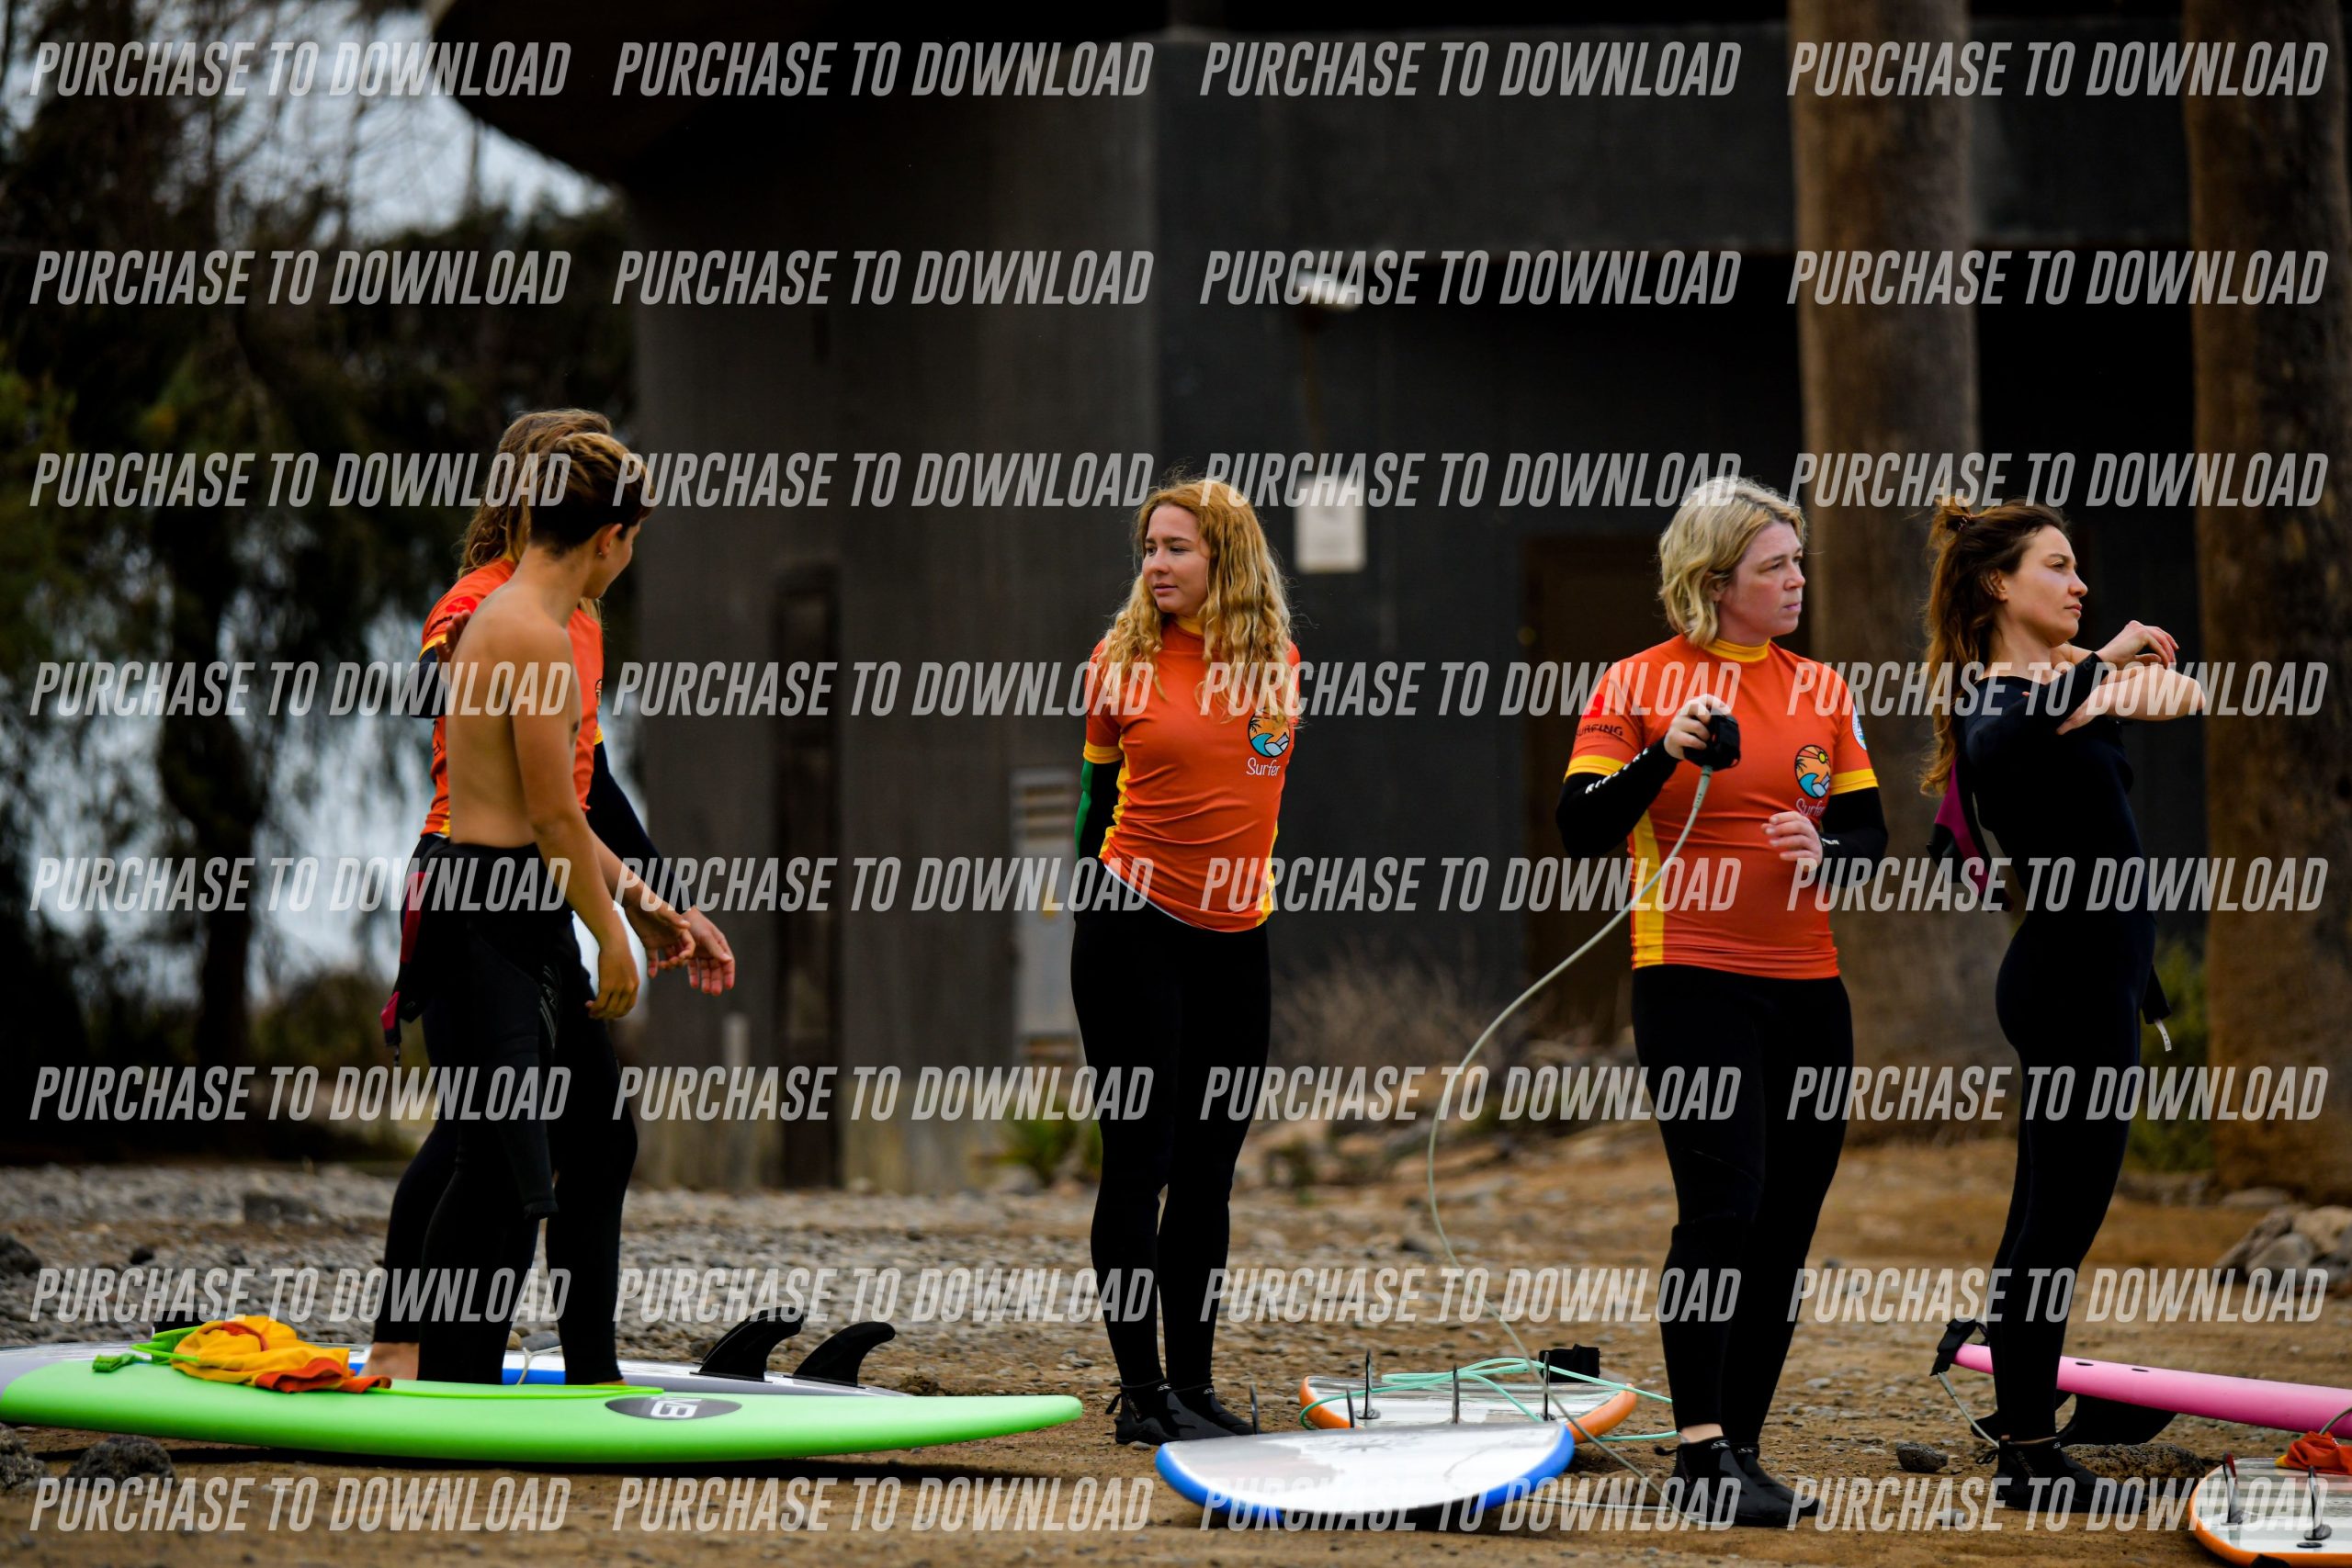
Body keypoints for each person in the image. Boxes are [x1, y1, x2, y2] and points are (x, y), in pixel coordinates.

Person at [1556, 477, 1884, 1526]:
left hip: (1810, 988)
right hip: (1691, 978)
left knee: (1786, 1225)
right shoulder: (1637, 681)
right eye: (1774, 566)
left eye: (1797, 561)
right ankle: (1697, 1451)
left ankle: (1741, 1446)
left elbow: (1872, 836)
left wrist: (1823, 845)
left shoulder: (1822, 688)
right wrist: (1665, 752)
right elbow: (1580, 825)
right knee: (1723, 1209)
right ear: (1714, 581)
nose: (1797, 580)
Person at [372, 415, 720, 1385]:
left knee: (594, 1141)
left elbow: (577, 797)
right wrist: (614, 933)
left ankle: (588, 1373)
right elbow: (552, 811)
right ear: (608, 535)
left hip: (535, 897)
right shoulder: (502, 617)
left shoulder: (563, 621)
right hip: (479, 896)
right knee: (489, 1156)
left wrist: (648, 902)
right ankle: (439, 1369)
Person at [1921, 498, 2203, 1509]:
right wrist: (2102, 663)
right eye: (2057, 565)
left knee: (2040, 1220)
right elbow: (1999, 746)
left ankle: (2018, 1427)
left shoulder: (2058, 686)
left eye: (2078, 568)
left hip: (2093, 980)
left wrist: (2106, 674)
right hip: (2068, 983)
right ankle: (2031, 1455)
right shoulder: (1994, 697)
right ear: (2000, 583)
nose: (2080, 584)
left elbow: (2185, 691)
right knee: (2057, 1229)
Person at [1069, 479, 1298, 1445]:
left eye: (1177, 548)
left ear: (1225, 560)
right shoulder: (1117, 662)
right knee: (1141, 1162)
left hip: (1236, 936)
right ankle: (1141, 1392)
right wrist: (1092, 907)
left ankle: (1193, 1388)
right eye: (1150, 548)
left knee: (1209, 1172)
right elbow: (1093, 808)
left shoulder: (1279, 666)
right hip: (1133, 925)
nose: (1155, 565)